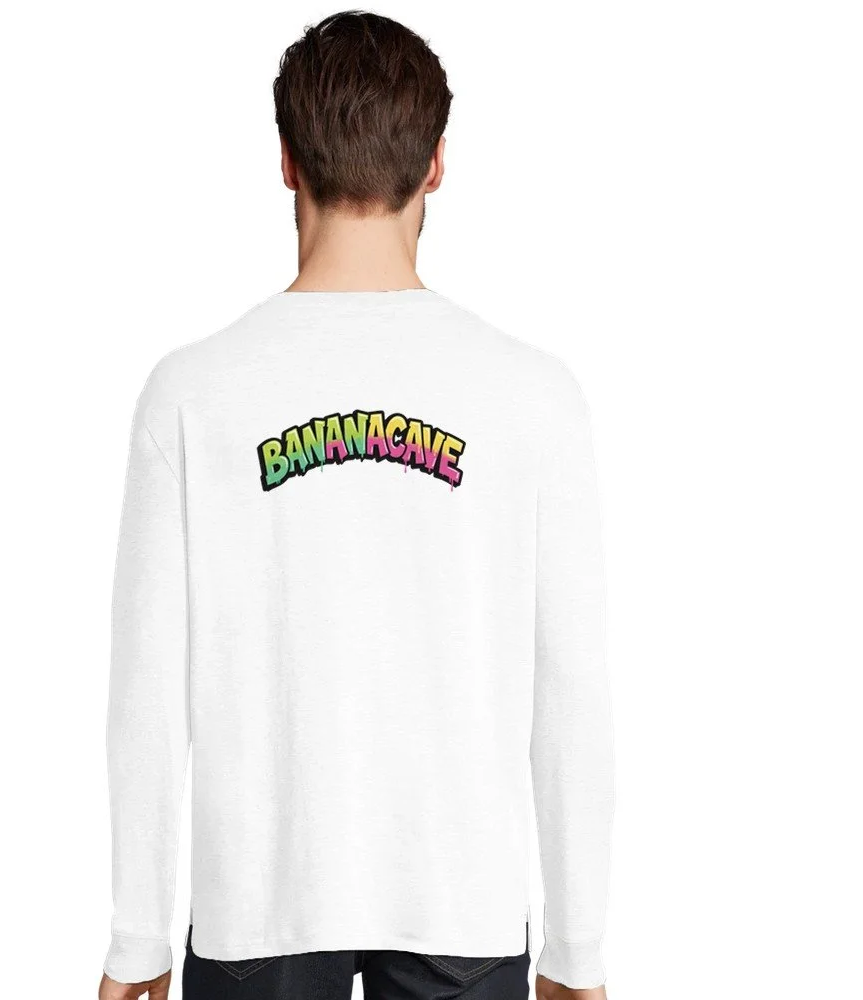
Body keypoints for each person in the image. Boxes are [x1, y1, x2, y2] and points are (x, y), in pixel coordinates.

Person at [98, 11, 613, 1000]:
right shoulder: (533, 396)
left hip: (260, 905)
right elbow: (572, 687)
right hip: (462, 902)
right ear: (437, 165)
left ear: (286, 161)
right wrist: (577, 948)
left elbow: (146, 693)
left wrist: (136, 936)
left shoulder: (192, 393)